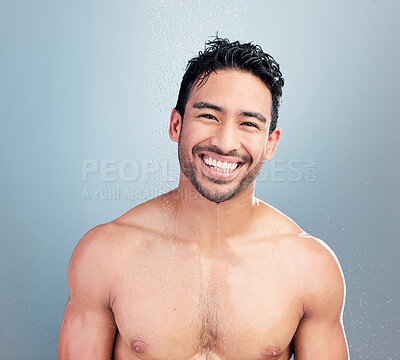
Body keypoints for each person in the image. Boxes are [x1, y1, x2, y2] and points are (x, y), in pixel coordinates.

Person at [59, 37, 349, 360]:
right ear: (176, 124)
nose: (225, 142)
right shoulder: (105, 256)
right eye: (209, 116)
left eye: (249, 124)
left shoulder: (310, 268)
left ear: (270, 143)